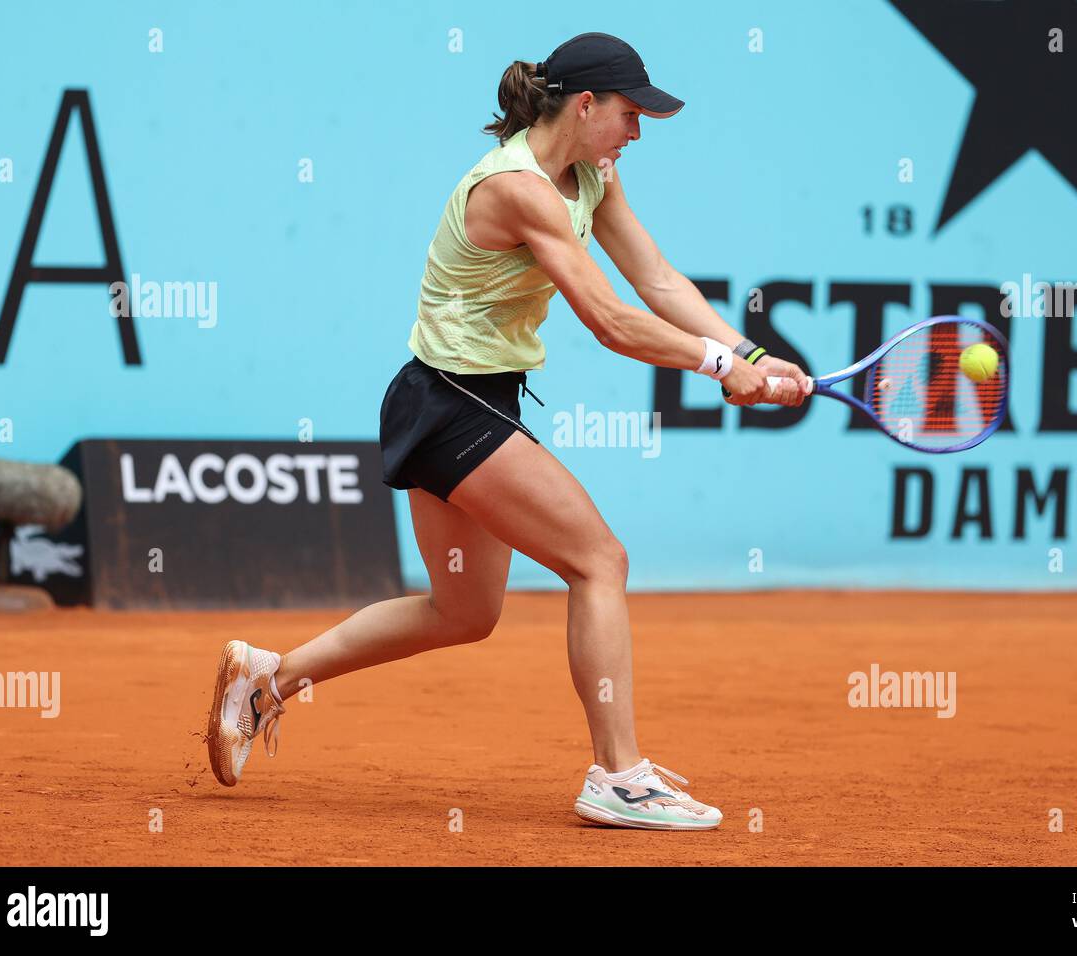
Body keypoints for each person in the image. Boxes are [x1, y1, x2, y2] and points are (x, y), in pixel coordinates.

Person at [206, 32, 812, 830]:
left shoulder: (593, 175)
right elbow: (606, 317)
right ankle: (619, 776)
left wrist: (751, 353)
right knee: (600, 559)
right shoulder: (519, 189)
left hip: (459, 401)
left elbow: (656, 278)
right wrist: (714, 364)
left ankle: (267, 680)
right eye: (631, 114)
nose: (638, 132)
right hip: (453, 404)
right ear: (586, 104)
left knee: (464, 612)